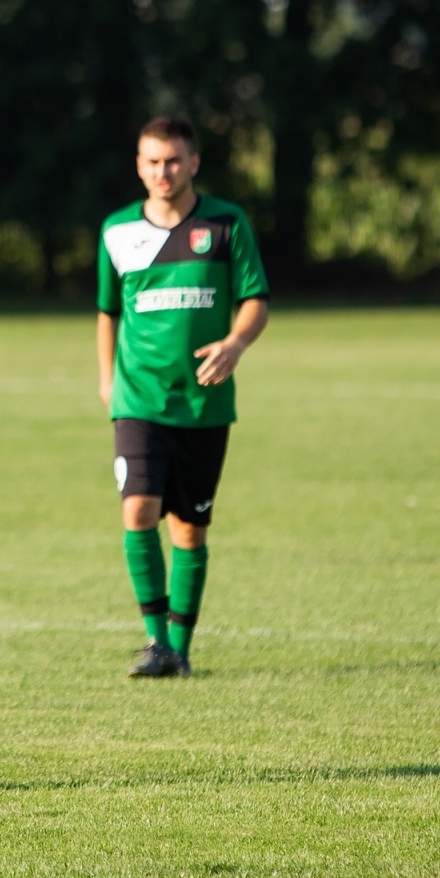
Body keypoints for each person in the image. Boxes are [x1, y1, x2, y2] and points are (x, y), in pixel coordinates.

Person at [96, 115, 269, 679]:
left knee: (189, 528)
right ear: (139, 166)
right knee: (138, 510)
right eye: (152, 161)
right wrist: (107, 378)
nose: (162, 171)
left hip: (204, 403)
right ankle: (156, 641)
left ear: (193, 162)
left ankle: (181, 647)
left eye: (173, 160)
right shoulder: (117, 231)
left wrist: (235, 344)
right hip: (139, 397)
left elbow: (255, 300)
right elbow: (108, 312)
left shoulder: (226, 223)